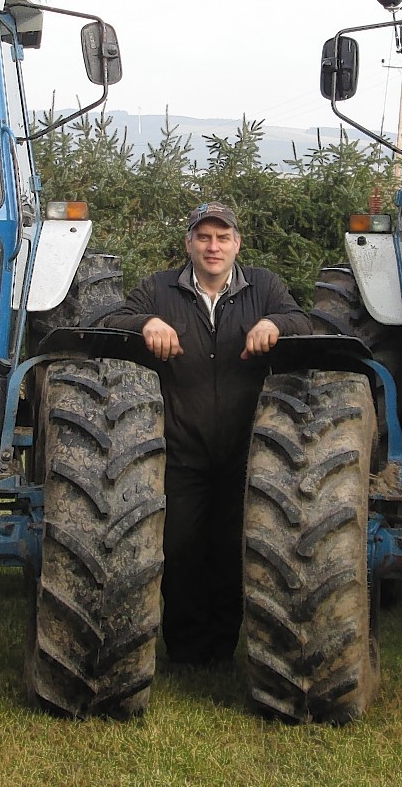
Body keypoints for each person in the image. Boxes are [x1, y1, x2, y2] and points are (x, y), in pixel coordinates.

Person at [99, 201, 312, 666]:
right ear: (189, 244)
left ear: (237, 244)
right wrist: (147, 324)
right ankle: (188, 648)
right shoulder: (160, 289)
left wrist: (273, 324)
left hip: (246, 449)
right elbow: (110, 322)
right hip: (182, 446)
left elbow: (303, 321)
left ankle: (225, 644)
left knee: (235, 547)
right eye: (204, 237)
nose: (213, 247)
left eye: (222, 238)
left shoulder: (265, 288)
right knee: (181, 545)